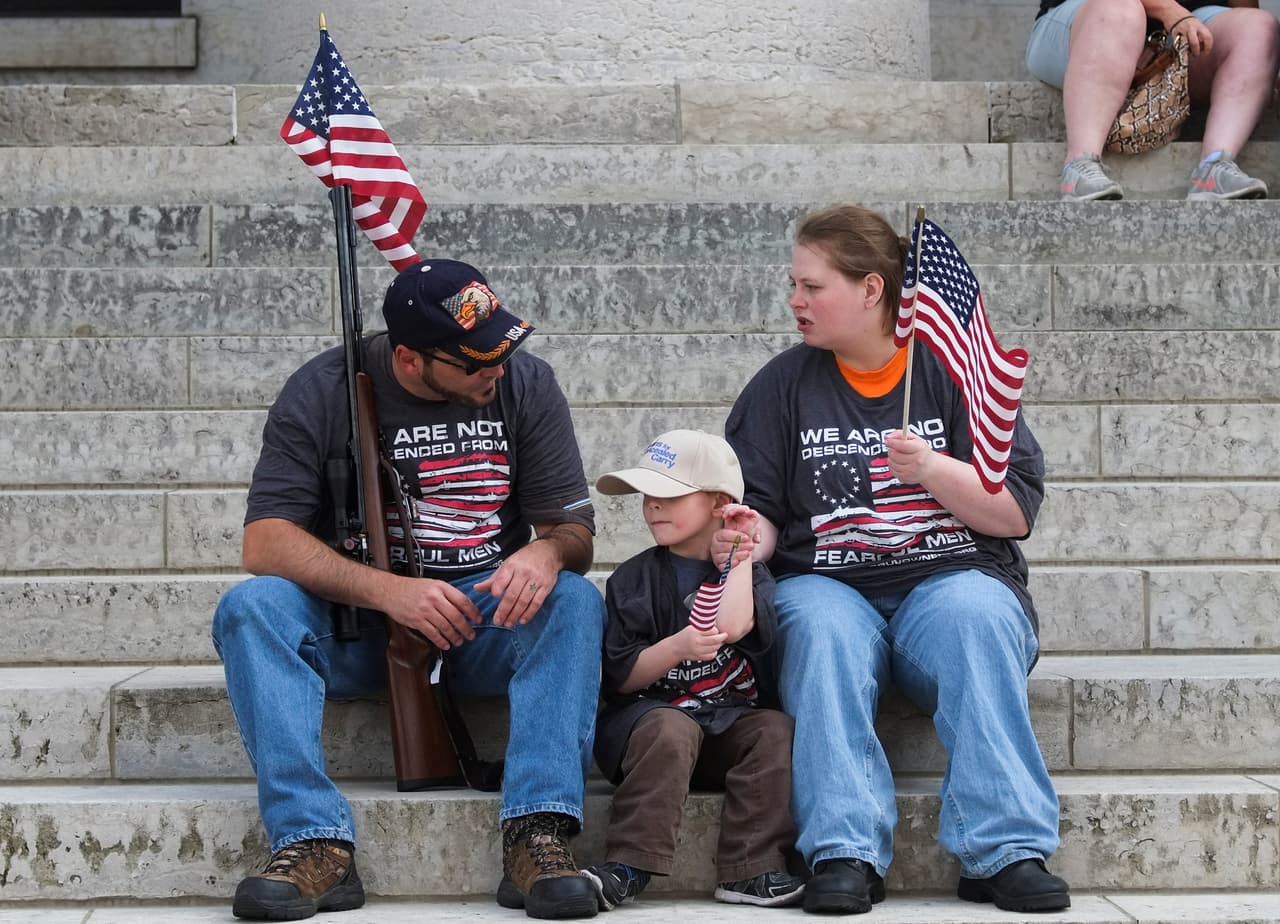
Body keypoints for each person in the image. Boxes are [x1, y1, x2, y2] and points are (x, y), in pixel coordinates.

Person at [212, 258, 605, 921]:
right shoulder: (322, 390)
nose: (496, 371)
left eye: (501, 353)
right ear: (410, 358)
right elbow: (265, 542)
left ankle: (538, 832)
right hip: (356, 627)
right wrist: (391, 594)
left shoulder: (526, 384)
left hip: (483, 620)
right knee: (249, 609)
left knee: (573, 599)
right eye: (475, 363)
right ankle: (313, 841)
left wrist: (546, 551)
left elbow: (575, 531)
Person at [719, 205, 1069, 914]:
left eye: (812, 287)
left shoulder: (949, 369)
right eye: (795, 284)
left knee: (976, 617)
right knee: (815, 624)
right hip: (829, 581)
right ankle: (845, 850)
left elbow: (1016, 513)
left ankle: (1005, 849)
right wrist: (738, 532)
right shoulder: (782, 387)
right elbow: (762, 517)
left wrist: (933, 471)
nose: (795, 301)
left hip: (950, 578)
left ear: (871, 289)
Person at [584, 429, 803, 910]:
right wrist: (678, 646)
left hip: (725, 729)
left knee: (774, 730)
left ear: (719, 502)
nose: (652, 507)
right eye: (647, 496)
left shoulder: (754, 575)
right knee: (670, 726)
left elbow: (732, 624)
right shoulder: (632, 579)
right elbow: (623, 677)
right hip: (647, 736)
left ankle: (750, 868)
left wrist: (741, 557)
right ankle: (628, 863)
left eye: (669, 495)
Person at [1026, 0, 1279, 201]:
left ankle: (1216, 167)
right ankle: (1079, 165)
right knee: (1121, 10)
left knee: (1258, 28)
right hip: (1087, 20)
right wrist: (1168, 9)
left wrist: (1259, 66)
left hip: (1185, 30)